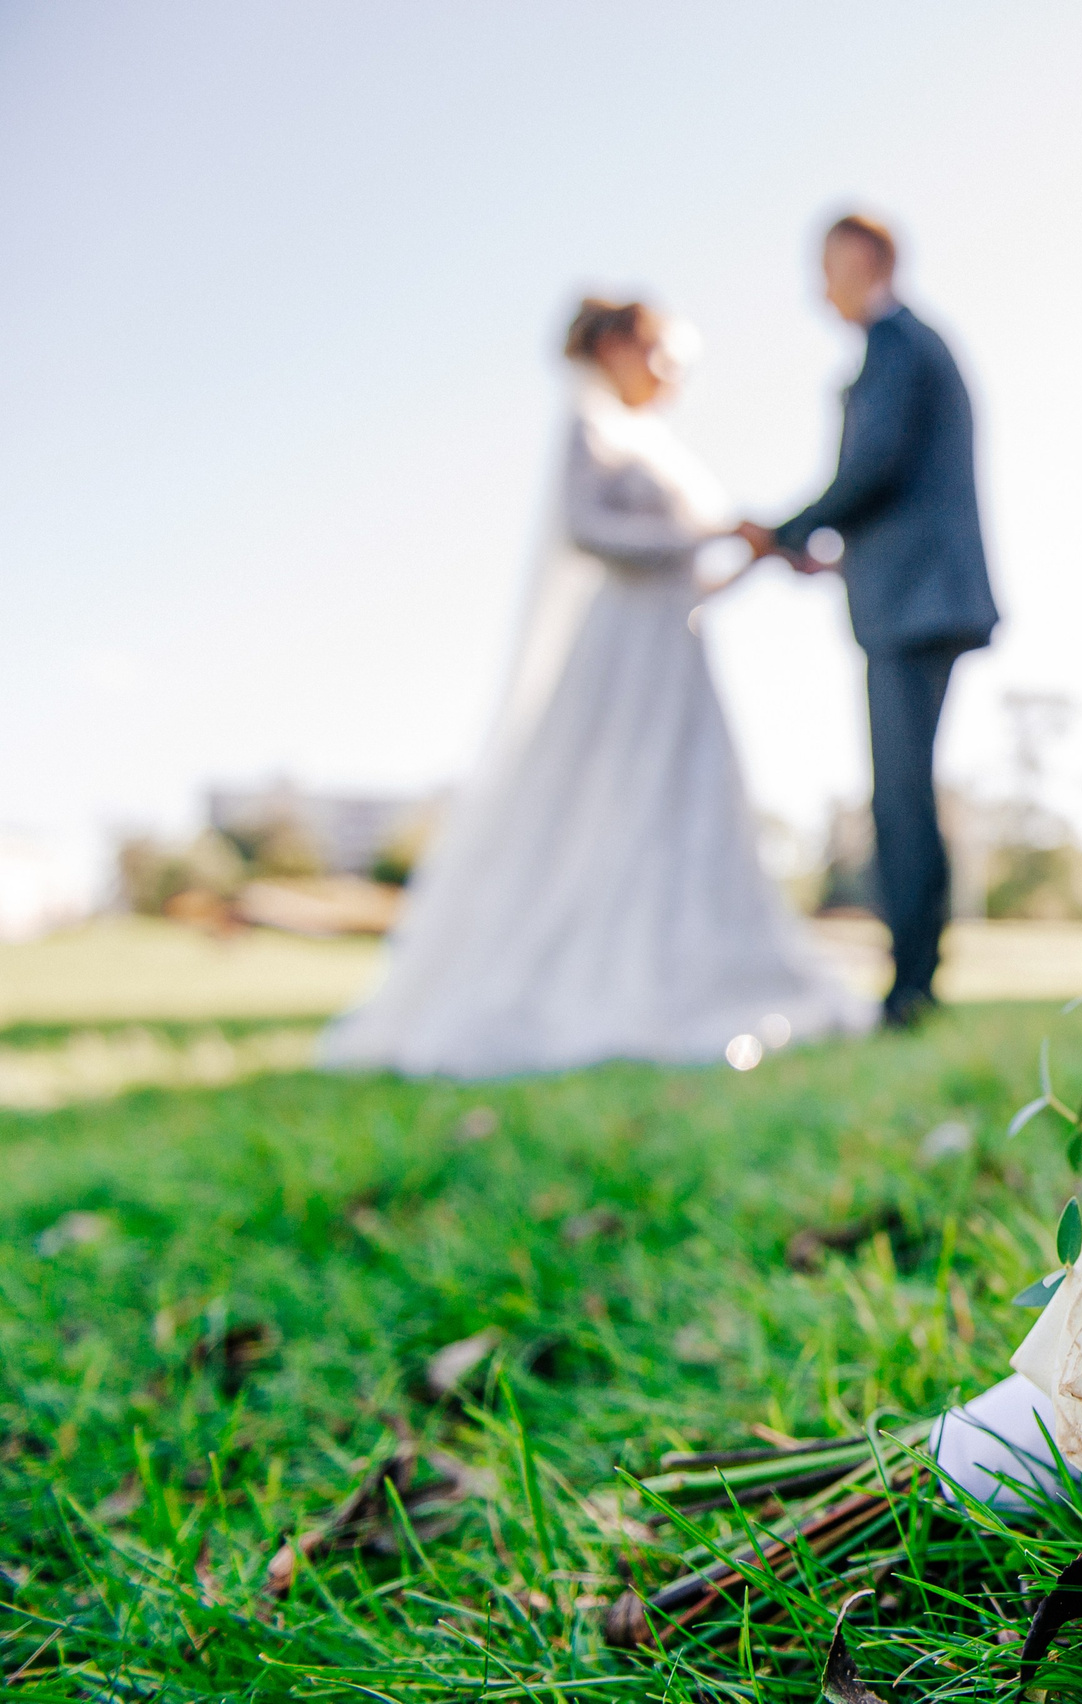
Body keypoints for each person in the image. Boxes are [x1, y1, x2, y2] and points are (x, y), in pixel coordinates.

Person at [319, 299, 870, 1078]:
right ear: (616, 345)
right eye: (663, 357)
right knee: (617, 801)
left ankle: (697, 969)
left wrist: (765, 550)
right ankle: (606, 983)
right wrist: (715, 531)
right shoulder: (589, 426)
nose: (673, 377)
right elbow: (590, 531)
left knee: (691, 807)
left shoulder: (653, 440)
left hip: (676, 647)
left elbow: (695, 573)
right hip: (621, 651)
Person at [738, 214, 997, 1030]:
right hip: (918, 592)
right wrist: (834, 552)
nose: (823, 288)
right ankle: (915, 977)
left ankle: (911, 987)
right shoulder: (915, 346)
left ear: (872, 262)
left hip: (917, 603)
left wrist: (785, 530)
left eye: (831, 267)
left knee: (900, 797)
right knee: (905, 790)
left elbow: (871, 467)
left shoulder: (895, 344)